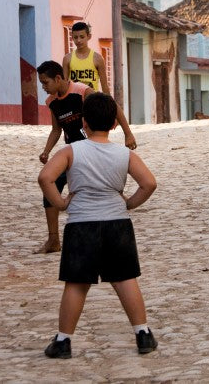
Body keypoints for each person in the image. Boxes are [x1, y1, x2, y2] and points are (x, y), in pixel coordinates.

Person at [38, 92, 158, 359]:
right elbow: (149, 183)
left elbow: (45, 177)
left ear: (84, 124)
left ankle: (63, 340)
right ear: (115, 124)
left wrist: (60, 203)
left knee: (77, 284)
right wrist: (129, 204)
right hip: (118, 223)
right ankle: (143, 333)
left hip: (82, 224)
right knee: (126, 279)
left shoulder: (71, 151)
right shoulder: (124, 154)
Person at [37, 60, 137, 254]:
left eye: (45, 82)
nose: (43, 87)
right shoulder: (51, 102)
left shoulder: (82, 92)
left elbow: (111, 106)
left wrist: (128, 133)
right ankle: (53, 239)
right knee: (52, 185)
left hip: (93, 149)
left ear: (58, 78)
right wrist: (47, 151)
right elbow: (56, 129)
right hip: (71, 153)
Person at [62, 21, 108, 92]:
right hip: (73, 101)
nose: (79, 40)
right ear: (72, 38)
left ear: (89, 36)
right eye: (76, 37)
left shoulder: (98, 58)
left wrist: (109, 102)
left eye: (82, 37)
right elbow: (64, 85)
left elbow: (105, 87)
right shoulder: (67, 59)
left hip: (92, 101)